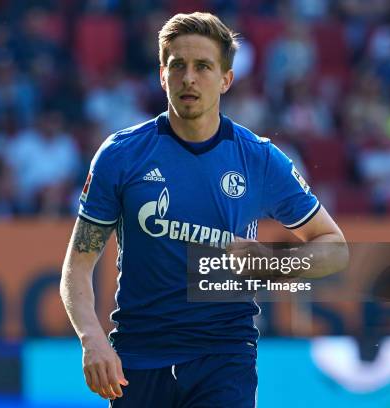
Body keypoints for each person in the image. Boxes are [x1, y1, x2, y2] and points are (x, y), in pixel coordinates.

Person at [60, 12, 347, 407]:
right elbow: (77, 265)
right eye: (177, 66)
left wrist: (272, 262)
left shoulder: (259, 159)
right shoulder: (121, 156)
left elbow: (334, 247)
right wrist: (92, 339)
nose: (189, 78)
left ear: (226, 79)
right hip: (140, 356)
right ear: (162, 75)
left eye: (203, 67)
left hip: (224, 355)